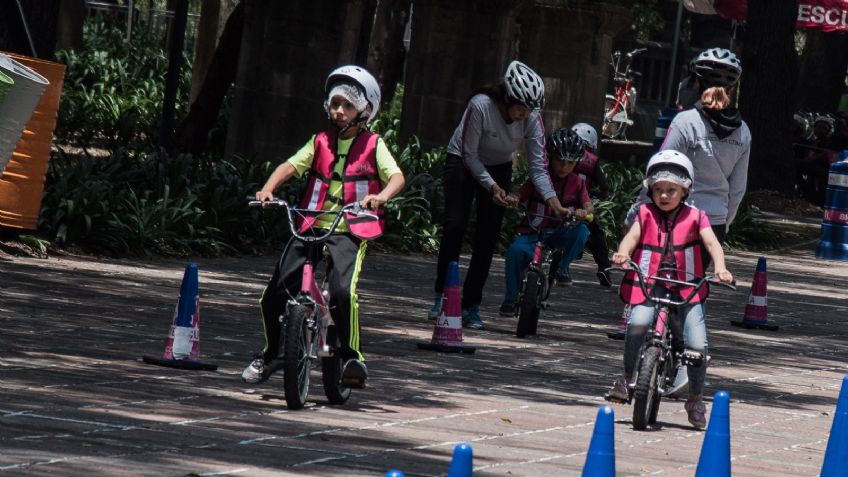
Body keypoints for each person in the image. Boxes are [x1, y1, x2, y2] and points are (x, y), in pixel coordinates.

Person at [242, 65, 405, 388]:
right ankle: (273, 352)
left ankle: (350, 356)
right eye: (335, 104)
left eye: (347, 105)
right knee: (274, 294)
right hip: (311, 224)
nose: (339, 111)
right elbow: (290, 166)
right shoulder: (319, 142)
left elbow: (396, 177)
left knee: (343, 293)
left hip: (351, 228)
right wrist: (268, 189)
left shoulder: (374, 144)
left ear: (365, 110)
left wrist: (380, 196)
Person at [625, 47, 749, 396]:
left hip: (673, 215)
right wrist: (721, 225)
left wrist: (639, 211)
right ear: (734, 87)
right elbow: (737, 189)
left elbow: (660, 169)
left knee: (657, 284)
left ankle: (646, 357)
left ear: (695, 83)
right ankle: (686, 364)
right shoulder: (743, 132)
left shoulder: (685, 122)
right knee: (693, 295)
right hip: (713, 221)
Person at [427, 60, 567, 330]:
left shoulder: (532, 118)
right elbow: (469, 155)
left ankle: (470, 305)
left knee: (487, 237)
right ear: (506, 98)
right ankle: (441, 296)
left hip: (499, 165)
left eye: (530, 109)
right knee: (455, 226)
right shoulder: (480, 105)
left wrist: (554, 202)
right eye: (520, 108)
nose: (525, 115)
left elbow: (538, 167)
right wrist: (491, 187)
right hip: (463, 163)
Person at [605, 150, 734, 429]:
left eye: (671, 190)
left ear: (685, 190)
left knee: (697, 345)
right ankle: (627, 378)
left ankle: (695, 399)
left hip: (687, 289)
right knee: (637, 324)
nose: (664, 196)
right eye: (658, 190)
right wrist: (622, 253)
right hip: (649, 284)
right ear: (650, 190)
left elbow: (712, 244)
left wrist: (720, 267)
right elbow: (631, 238)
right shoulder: (644, 213)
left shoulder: (697, 217)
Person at [498, 128, 594, 315]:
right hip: (533, 231)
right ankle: (510, 298)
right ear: (550, 157)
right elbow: (520, 194)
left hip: (560, 232)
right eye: (560, 161)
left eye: (570, 163)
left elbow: (589, 206)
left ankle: (562, 268)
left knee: (582, 232)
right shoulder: (540, 177)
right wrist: (513, 198)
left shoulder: (578, 183)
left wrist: (585, 212)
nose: (564, 167)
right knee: (514, 252)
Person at [555, 122, 612, 287]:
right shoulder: (592, 161)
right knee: (595, 234)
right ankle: (604, 267)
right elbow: (604, 187)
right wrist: (595, 194)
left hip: (557, 199)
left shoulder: (560, 155)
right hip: (580, 203)